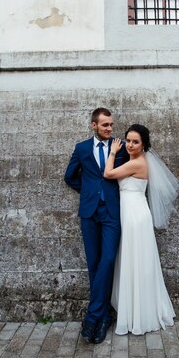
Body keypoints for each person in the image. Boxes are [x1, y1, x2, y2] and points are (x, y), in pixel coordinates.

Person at [103, 124, 179, 335]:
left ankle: (138, 315)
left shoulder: (137, 163)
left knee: (137, 262)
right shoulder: (134, 161)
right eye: (128, 140)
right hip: (132, 214)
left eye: (135, 141)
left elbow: (108, 173)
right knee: (136, 262)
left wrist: (112, 152)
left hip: (135, 217)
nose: (129, 144)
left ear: (143, 144)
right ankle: (136, 310)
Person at [64, 108, 129, 344]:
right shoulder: (81, 148)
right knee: (94, 264)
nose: (110, 129)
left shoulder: (120, 147)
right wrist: (91, 193)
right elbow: (69, 177)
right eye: (105, 125)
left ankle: (92, 317)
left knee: (108, 259)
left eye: (111, 125)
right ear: (94, 125)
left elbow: (134, 166)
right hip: (89, 213)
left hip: (112, 212)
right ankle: (103, 318)